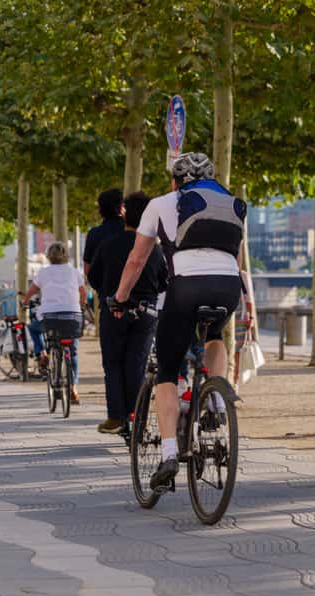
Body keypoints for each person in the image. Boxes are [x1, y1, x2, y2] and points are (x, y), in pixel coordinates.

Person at [112, 152, 246, 490]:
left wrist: (121, 296)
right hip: (228, 287)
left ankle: (169, 453)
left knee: (168, 371)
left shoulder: (161, 204)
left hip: (186, 287)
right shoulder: (229, 204)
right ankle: (216, 397)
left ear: (175, 180)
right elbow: (237, 258)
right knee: (215, 334)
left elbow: (137, 258)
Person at [89, 192, 168, 434]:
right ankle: (137, 419)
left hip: (113, 310)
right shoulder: (154, 250)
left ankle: (115, 417)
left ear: (124, 213)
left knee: (112, 363)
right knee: (137, 363)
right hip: (146, 313)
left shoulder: (108, 244)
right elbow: (164, 281)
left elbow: (93, 277)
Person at [23, 242, 86, 403]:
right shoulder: (74, 271)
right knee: (73, 351)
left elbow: (31, 291)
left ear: (48, 256)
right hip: (72, 316)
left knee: (34, 328)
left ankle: (42, 352)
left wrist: (24, 302)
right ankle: (74, 388)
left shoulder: (44, 272)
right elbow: (83, 293)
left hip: (50, 317)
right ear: (66, 255)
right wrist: (82, 305)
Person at [83, 188, 125, 279]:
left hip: (104, 289)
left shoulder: (93, 234)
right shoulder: (132, 231)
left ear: (100, 209)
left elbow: (87, 269)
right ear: (121, 207)